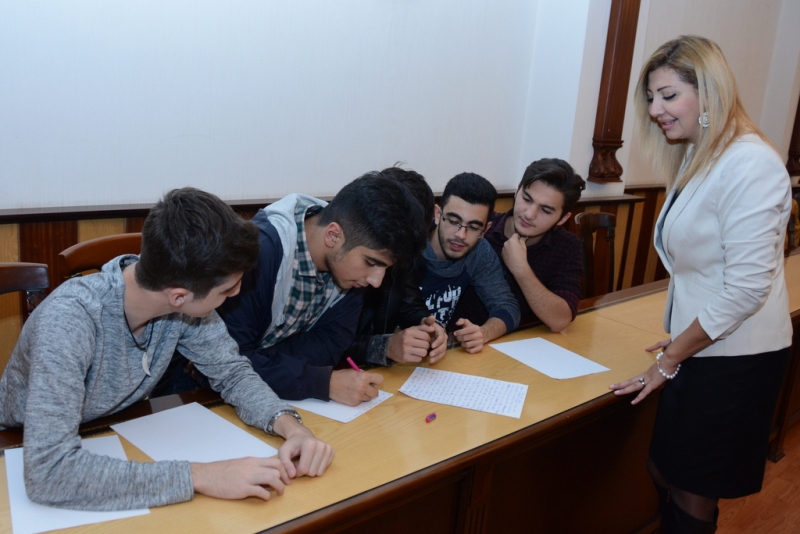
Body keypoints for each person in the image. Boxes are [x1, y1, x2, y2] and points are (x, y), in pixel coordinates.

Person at [0, 188, 334, 511]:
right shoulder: (70, 320)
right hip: (18, 443)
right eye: (227, 289)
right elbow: (50, 473)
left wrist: (291, 427)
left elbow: (232, 373)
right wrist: (203, 476)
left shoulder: (180, 303)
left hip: (113, 430)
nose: (236, 294)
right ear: (178, 296)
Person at [610, 36, 793, 533]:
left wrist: (670, 359)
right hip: (701, 345)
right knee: (666, 471)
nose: (655, 110)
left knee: (691, 490)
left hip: (736, 359)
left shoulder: (750, 162)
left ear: (709, 92)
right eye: (652, 97)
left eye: (668, 95)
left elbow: (746, 289)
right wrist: (680, 343)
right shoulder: (702, 155)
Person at [213, 172, 428, 405]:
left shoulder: (351, 269)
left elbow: (329, 348)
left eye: (386, 268)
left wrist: (267, 363)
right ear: (333, 235)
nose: (376, 281)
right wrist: (316, 380)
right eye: (371, 263)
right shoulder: (259, 253)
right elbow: (226, 363)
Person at [454, 158, 585, 331]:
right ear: (517, 191)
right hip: (461, 335)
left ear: (563, 218)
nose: (529, 214)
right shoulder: (481, 225)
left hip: (524, 339)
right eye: (527, 199)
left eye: (545, 210)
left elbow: (560, 321)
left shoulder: (567, 246)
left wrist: (521, 269)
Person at [346, 166, 447, 367]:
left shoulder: (404, 253)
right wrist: (385, 347)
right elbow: (328, 343)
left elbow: (409, 301)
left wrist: (426, 324)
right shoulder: (347, 257)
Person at [417, 172, 520, 353]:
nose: (461, 235)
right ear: (437, 214)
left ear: (485, 229)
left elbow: (507, 307)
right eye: (454, 221)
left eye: (473, 227)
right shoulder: (411, 246)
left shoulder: (480, 251)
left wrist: (484, 333)